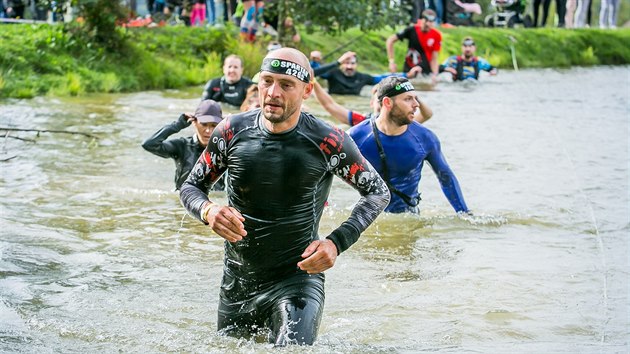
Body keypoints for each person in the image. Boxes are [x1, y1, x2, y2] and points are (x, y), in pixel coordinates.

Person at [179, 47, 390, 346]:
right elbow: (191, 188)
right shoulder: (230, 131)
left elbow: (377, 192)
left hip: (297, 280)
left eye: (286, 84)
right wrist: (208, 210)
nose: (273, 92)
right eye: (267, 81)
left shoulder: (328, 140)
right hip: (238, 282)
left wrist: (336, 242)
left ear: (307, 90)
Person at [348, 76, 470, 214]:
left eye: (415, 98)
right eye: (408, 99)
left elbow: (446, 177)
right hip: (368, 218)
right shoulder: (356, 137)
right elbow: (325, 170)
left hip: (408, 215)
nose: (416, 105)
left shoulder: (425, 138)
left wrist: (465, 214)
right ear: (387, 102)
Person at [142, 99, 226, 191]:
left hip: (215, 202)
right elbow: (149, 144)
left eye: (214, 125)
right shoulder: (182, 146)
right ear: (194, 122)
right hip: (184, 201)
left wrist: (233, 127)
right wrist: (177, 125)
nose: (208, 130)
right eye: (204, 124)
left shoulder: (225, 148)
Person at [311, 76, 432, 126]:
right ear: (371, 102)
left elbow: (427, 115)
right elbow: (330, 105)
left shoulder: (401, 121)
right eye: (378, 98)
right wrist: (313, 81)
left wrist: (411, 96)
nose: (382, 102)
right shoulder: (362, 121)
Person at [315, 53, 421, 95]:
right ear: (341, 64)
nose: (349, 67)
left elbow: (383, 78)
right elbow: (314, 72)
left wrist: (407, 75)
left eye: (352, 63)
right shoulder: (332, 73)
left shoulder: (362, 78)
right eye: (346, 63)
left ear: (357, 65)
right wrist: (314, 61)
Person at [386, 9, 442, 85]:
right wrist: (391, 62)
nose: (428, 25)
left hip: (425, 73)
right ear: (421, 20)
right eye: (426, 23)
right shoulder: (411, 30)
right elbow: (390, 40)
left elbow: (434, 58)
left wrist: (435, 74)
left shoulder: (436, 35)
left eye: (431, 23)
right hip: (409, 71)